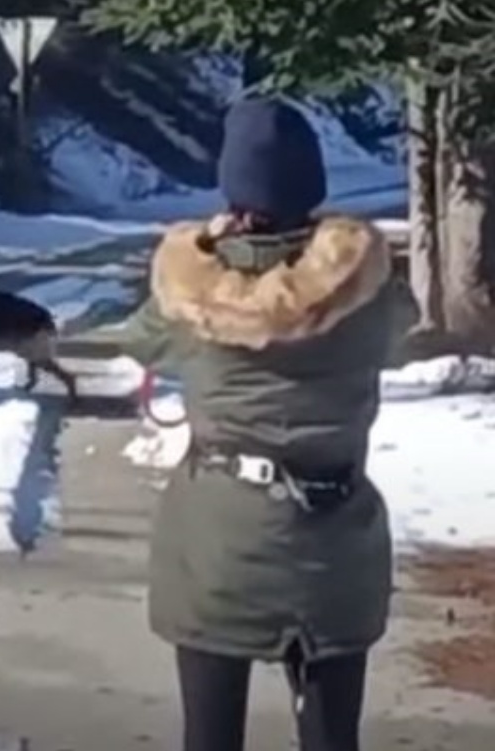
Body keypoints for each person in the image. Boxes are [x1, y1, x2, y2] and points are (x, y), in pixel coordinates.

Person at [87, 96, 419, 751]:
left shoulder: (188, 290)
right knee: (331, 739)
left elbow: (141, 340)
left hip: (219, 539)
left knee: (209, 737)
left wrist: (213, 246)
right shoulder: (370, 285)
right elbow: (401, 334)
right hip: (336, 539)